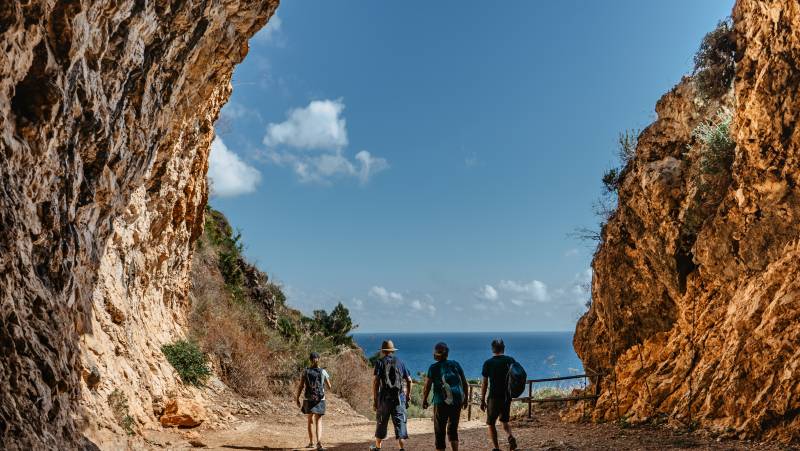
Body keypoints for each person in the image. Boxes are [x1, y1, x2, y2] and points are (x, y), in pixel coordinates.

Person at [422, 342, 469, 451]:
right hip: (456, 401)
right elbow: (464, 383)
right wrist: (465, 399)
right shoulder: (455, 364)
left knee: (440, 431)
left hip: (440, 402)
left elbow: (427, 386)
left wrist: (424, 400)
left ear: (436, 354)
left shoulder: (433, 368)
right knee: (453, 429)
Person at [370, 340, 412, 451]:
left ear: (383, 351)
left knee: (381, 422)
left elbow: (376, 382)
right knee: (400, 425)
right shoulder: (400, 362)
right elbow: (409, 380)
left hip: (384, 398)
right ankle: (401, 449)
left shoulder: (380, 362)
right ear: (392, 351)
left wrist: (375, 400)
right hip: (399, 398)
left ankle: (378, 447)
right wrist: (408, 395)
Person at [480, 339, 518, 451]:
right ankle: (510, 436)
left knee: (491, 423)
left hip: (494, 397)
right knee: (505, 421)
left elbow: (485, 383)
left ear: (492, 349)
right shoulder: (510, 360)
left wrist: (482, 399)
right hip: (507, 396)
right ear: (503, 348)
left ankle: (496, 448)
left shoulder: (488, 363)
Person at [295, 352, 332, 451]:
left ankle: (311, 442)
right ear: (318, 359)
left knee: (310, 420)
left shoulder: (305, 371)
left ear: (310, 360)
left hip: (308, 398)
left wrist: (297, 398)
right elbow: (330, 386)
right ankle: (319, 443)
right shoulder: (323, 371)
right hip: (320, 398)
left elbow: (301, 386)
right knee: (318, 421)